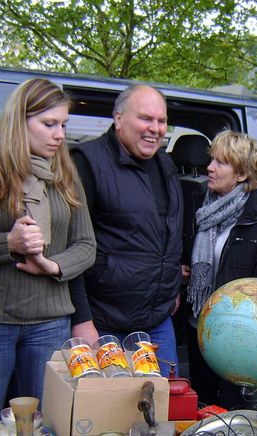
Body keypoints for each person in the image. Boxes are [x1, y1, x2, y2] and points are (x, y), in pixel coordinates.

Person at [0, 78, 96, 431]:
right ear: (19, 121)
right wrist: (10, 244)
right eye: (49, 124)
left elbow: (86, 245)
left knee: (44, 424)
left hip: (50, 321)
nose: (59, 135)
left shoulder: (65, 174)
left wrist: (52, 265)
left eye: (63, 124)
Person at [73, 84, 183, 377]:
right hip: (103, 323)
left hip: (157, 322)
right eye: (146, 118)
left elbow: (167, 231)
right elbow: (71, 245)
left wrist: (170, 283)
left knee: (163, 410)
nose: (156, 128)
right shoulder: (87, 161)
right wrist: (82, 319)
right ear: (118, 118)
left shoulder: (165, 163)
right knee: (106, 416)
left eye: (161, 121)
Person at [183, 130, 257, 409]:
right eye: (211, 160)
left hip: (238, 338)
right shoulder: (200, 208)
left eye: (220, 163)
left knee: (234, 411)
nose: (210, 168)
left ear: (241, 174)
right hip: (200, 327)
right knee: (201, 407)